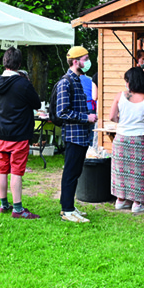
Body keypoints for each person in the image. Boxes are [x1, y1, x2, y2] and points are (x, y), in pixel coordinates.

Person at [0, 47, 41, 219]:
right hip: (19, 133)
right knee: (17, 171)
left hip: (1, 132)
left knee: (2, 169)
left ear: (4, 62)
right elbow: (37, 103)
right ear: (19, 64)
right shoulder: (23, 83)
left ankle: (4, 204)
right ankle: (18, 209)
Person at [56, 46, 97, 223]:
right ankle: (67, 210)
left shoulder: (78, 80)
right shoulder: (66, 82)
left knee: (75, 172)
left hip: (81, 135)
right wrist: (86, 117)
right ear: (75, 61)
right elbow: (62, 112)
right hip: (73, 135)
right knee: (71, 173)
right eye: (85, 58)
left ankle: (69, 205)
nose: (88, 62)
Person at [109, 67, 144, 213]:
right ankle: (137, 203)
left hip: (121, 138)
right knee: (139, 171)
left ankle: (120, 200)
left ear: (129, 82)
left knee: (120, 170)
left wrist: (121, 120)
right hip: (140, 139)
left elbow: (111, 117)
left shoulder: (121, 95)